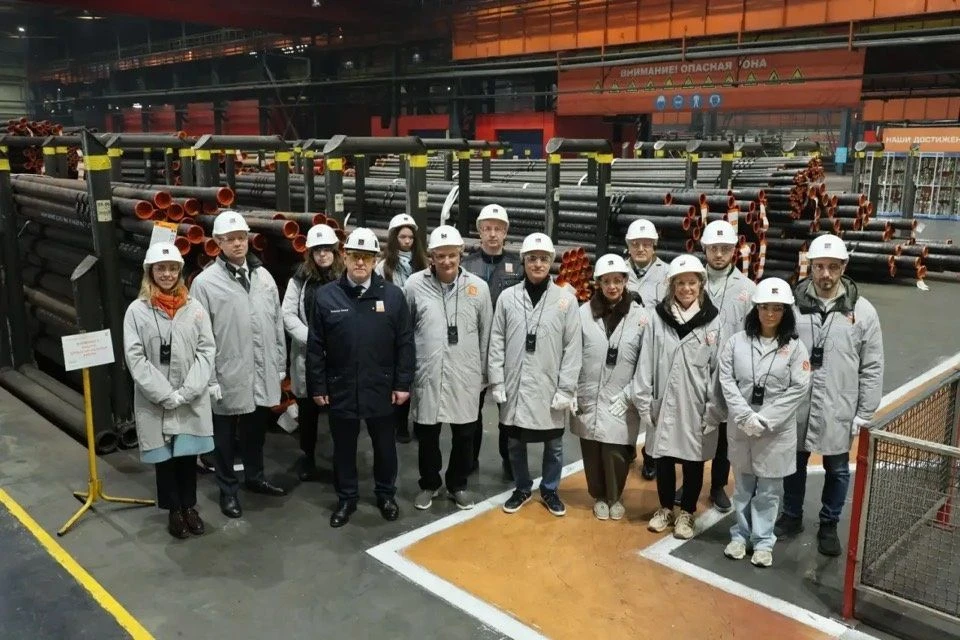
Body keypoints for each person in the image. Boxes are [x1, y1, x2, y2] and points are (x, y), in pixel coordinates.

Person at [776, 234, 884, 557]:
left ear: (843, 267)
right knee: (794, 463)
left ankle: (828, 524)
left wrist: (865, 411)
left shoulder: (862, 312)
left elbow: (872, 364)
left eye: (833, 267)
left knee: (837, 469)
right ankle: (792, 515)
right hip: (798, 404)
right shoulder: (792, 307)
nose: (825, 274)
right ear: (810, 266)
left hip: (839, 404)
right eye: (819, 266)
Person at [307, 227, 415, 528]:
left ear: (375, 260)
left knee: (385, 447)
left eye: (366, 257)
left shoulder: (392, 296)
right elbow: (315, 346)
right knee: (344, 448)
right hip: (340, 386)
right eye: (354, 256)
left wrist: (402, 383)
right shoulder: (327, 296)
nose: (359, 263)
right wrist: (318, 385)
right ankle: (346, 498)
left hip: (381, 386)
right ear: (345, 257)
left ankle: (386, 494)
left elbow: (405, 343)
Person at [190, 211, 288, 520]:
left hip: (261, 367)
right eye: (230, 239)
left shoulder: (263, 277)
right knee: (223, 437)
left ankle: (255, 477)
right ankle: (227, 490)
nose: (237, 244)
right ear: (218, 243)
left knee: (255, 430)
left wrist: (279, 362)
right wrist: (208, 378)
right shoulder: (205, 284)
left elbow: (276, 322)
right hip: (226, 372)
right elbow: (199, 336)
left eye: (241, 237)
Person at [123, 242, 216, 539]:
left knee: (187, 456)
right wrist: (165, 394)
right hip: (155, 400)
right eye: (161, 268)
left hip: (190, 398)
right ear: (150, 272)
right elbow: (135, 358)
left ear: (180, 271)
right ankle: (174, 511)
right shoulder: (137, 311)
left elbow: (206, 351)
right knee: (164, 460)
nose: (167, 274)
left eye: (172, 268)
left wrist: (187, 392)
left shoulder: (195, 308)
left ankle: (189, 507)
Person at [717, 278, 810, 567]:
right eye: (765, 307)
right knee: (743, 487)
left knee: (769, 492)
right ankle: (739, 536)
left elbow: (799, 387)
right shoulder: (736, 342)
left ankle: (763, 541)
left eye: (777, 308)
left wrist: (765, 419)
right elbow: (726, 380)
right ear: (755, 309)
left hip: (775, 432)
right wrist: (745, 416)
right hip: (742, 426)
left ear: (786, 312)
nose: (770, 314)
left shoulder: (795, 348)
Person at [488, 232, 582, 517]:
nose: (538, 264)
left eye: (543, 259)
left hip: (549, 385)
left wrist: (566, 389)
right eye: (532, 259)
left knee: (554, 444)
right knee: (515, 442)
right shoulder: (507, 298)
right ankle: (522, 487)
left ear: (551, 261)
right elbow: (497, 340)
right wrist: (497, 380)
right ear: (523, 261)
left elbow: (573, 347)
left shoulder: (566, 301)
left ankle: (550, 489)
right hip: (515, 384)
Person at [634, 255, 722, 539]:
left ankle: (686, 512)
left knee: (694, 459)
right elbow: (646, 360)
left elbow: (718, 369)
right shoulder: (658, 318)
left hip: (696, 404)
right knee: (663, 456)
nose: (686, 288)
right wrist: (643, 399)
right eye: (680, 283)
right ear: (672, 286)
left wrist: (714, 409)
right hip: (663, 400)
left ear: (701, 285)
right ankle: (665, 508)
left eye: (692, 283)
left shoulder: (713, 321)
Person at [405, 226, 493, 511]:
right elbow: (405, 331)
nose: (446, 261)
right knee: (427, 435)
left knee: (465, 435)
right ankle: (429, 483)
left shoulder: (478, 288)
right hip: (428, 373)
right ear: (431, 256)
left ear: (460, 254)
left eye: (451, 255)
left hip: (465, 376)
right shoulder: (414, 285)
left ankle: (457, 484)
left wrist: (485, 375)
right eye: (440, 256)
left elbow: (486, 334)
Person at [572, 254, 647, 521]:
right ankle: (599, 497)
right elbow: (572, 353)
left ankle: (615, 496)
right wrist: (571, 389)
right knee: (592, 449)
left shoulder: (641, 317)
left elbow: (645, 363)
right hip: (589, 392)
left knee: (615, 450)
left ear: (625, 281)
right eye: (606, 281)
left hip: (621, 395)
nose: (612, 286)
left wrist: (630, 394)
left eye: (617, 280)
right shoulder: (582, 314)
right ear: (598, 283)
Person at [689, 219, 757, 513]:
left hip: (729, 372)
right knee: (692, 428)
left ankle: (717, 484)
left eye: (725, 249)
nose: (719, 254)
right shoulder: (690, 281)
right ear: (704, 247)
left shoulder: (748, 289)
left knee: (724, 434)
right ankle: (690, 482)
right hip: (694, 368)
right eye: (714, 248)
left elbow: (753, 333)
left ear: (735, 250)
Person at [462, 203, 522, 479]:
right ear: (480, 232)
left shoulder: (517, 266)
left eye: (498, 229)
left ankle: (510, 460)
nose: (493, 234)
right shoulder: (466, 265)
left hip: (506, 349)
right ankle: (469, 459)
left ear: (505, 232)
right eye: (487, 229)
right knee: (471, 410)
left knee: (506, 410)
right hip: (473, 348)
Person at [282, 223, 343, 482]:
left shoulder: (346, 277)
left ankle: (343, 460)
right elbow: (287, 314)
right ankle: (307, 456)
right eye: (317, 250)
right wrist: (313, 340)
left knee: (340, 412)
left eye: (327, 249)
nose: (322, 254)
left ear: (335, 251)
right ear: (310, 253)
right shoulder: (299, 279)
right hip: (309, 355)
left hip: (339, 356)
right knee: (308, 412)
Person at [623, 218, 670, 480]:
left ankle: (651, 455)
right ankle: (626, 446)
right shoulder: (618, 270)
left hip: (656, 348)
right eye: (635, 244)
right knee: (625, 400)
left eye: (646, 244)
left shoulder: (668, 274)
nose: (641, 248)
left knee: (653, 403)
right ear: (628, 245)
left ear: (654, 245)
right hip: (625, 346)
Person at [375, 213, 427, 443]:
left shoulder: (423, 264)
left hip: (419, 326)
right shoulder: (383, 267)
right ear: (394, 238)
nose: (407, 241)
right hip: (393, 329)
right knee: (399, 376)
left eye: (410, 237)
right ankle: (400, 424)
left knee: (419, 377)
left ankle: (420, 422)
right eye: (402, 237)